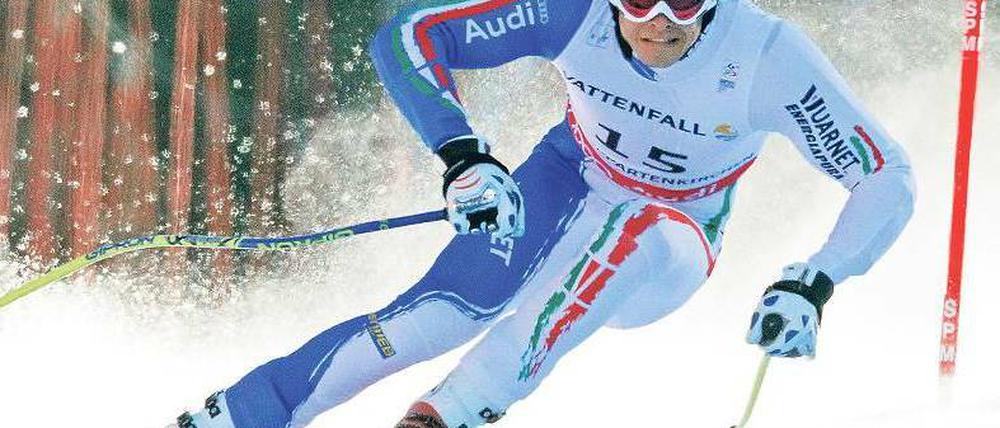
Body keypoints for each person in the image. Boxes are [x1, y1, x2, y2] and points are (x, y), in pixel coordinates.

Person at [174, 0, 915, 426]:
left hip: (674, 237)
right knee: (439, 314)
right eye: (638, 1)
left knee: (641, 230)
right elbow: (409, 36)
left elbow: (886, 175)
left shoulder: (768, 55)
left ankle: (449, 412)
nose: (659, 23)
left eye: (683, 1)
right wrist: (465, 157)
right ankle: (237, 414)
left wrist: (816, 281)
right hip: (568, 178)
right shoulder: (577, 11)